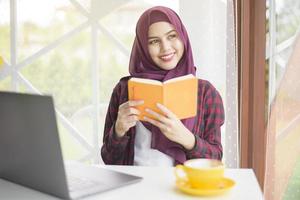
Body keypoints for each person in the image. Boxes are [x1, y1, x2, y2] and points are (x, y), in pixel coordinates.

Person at [101, 6, 224, 166]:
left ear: (183, 37)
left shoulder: (205, 93)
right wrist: (118, 131)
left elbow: (215, 158)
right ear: (143, 47)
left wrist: (187, 139)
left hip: (182, 187)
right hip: (135, 187)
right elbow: (108, 159)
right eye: (154, 41)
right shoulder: (124, 90)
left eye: (172, 36)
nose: (165, 47)